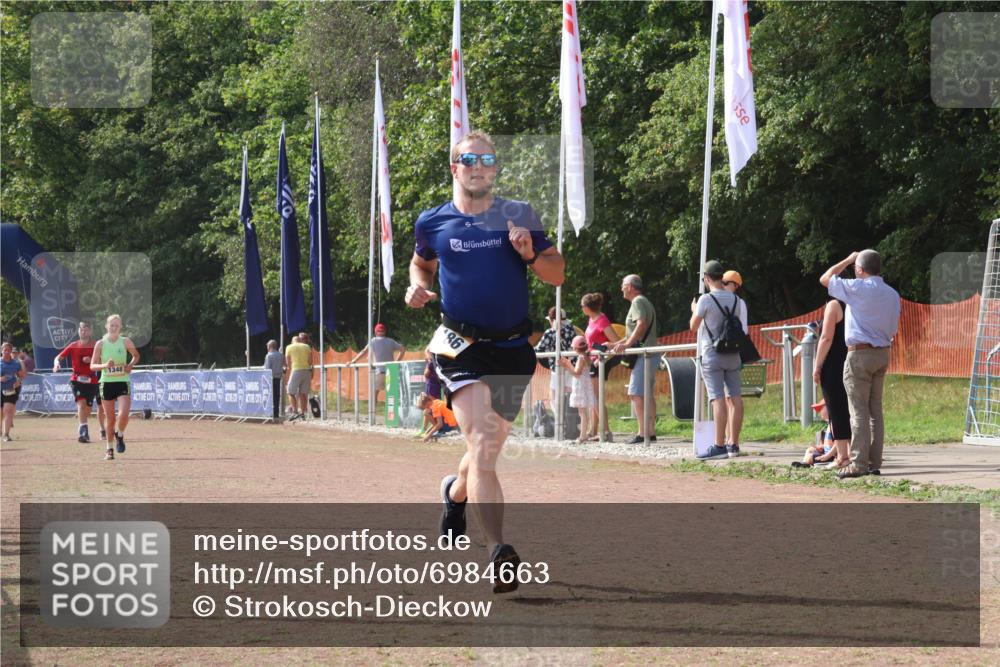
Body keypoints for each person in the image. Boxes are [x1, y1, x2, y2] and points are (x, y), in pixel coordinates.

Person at [406, 130, 564, 593]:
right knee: (479, 443)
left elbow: (557, 272)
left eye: (487, 159)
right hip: (461, 346)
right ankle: (499, 550)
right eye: (469, 159)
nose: (478, 166)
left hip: (514, 350)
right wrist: (416, 285)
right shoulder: (433, 222)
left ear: (494, 169)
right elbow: (422, 264)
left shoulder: (518, 215)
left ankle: (453, 495)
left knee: (485, 452)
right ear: (455, 168)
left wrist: (531, 254)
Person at [820, 249, 900, 479]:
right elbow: (893, 327)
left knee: (858, 411)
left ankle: (858, 463)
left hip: (859, 355)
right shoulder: (892, 294)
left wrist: (846, 258)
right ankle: (875, 461)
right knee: (876, 411)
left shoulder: (857, 287)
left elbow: (825, 279)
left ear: (859, 269)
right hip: (882, 353)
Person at [690, 260, 748, 460]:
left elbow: (693, 326)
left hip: (712, 354)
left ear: (706, 278)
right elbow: (743, 328)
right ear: (721, 277)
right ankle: (734, 444)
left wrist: (693, 309)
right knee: (736, 397)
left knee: (717, 399)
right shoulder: (737, 301)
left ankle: (719, 445)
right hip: (733, 354)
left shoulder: (705, 300)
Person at [611, 274, 658, 445]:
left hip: (643, 355)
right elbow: (635, 333)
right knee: (647, 394)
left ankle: (642, 433)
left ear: (630, 286)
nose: (621, 288)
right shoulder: (643, 301)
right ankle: (650, 432)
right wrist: (616, 344)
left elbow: (641, 324)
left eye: (623, 285)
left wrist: (628, 344)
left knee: (635, 393)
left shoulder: (637, 302)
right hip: (649, 353)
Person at [90, 314, 140, 461]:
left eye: (116, 326)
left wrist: (130, 365)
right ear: (106, 326)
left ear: (120, 328)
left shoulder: (125, 341)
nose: (114, 328)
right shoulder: (100, 343)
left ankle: (120, 433)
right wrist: (105, 365)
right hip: (106, 383)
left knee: (124, 414)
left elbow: (136, 356)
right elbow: (92, 365)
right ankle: (109, 448)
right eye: (111, 325)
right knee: (110, 419)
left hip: (122, 381)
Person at [812, 298, 852, 469]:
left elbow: (826, 338)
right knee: (852, 410)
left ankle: (842, 456)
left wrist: (817, 365)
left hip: (834, 363)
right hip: (851, 359)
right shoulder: (855, 302)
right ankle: (851, 453)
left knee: (836, 410)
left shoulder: (834, 305)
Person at [54, 320, 107, 442]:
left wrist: (93, 360)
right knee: (81, 404)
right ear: (78, 331)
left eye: (86, 329)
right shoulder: (73, 345)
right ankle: (84, 432)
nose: (83, 331)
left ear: (90, 331)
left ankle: (82, 425)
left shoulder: (96, 345)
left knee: (87, 410)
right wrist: (56, 364)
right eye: (81, 329)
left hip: (92, 381)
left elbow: (104, 362)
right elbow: (58, 357)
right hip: (76, 380)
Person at [581, 292, 621, 441]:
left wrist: (603, 359)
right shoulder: (592, 320)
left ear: (586, 307)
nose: (581, 309)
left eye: (581, 306)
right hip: (592, 361)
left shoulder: (602, 320)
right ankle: (594, 431)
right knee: (593, 398)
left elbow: (616, 342)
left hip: (600, 362)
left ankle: (606, 432)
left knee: (596, 398)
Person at [720, 270, 749, 448]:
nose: (723, 285)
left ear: (734, 285)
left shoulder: (738, 302)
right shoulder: (739, 302)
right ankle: (729, 438)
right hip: (734, 350)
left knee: (732, 397)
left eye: (726, 283)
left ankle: (732, 440)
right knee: (726, 398)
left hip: (730, 351)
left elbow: (743, 330)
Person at [534, 307, 576, 413]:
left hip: (557, 368)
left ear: (552, 320)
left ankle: (559, 423)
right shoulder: (571, 330)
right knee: (570, 396)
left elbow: (539, 349)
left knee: (554, 397)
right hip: (571, 367)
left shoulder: (550, 332)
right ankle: (571, 422)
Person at [351, 323, 406, 404]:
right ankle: (392, 413)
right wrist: (396, 362)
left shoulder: (373, 341)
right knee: (391, 393)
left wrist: (353, 361)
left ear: (375, 332)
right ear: (385, 331)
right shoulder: (391, 341)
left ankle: (373, 413)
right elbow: (403, 349)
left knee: (374, 392)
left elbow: (364, 352)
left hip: (378, 370)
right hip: (391, 369)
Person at [559, 335, 597, 443]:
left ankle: (583, 435)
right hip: (585, 385)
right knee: (584, 412)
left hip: (580, 386)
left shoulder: (581, 358)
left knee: (582, 412)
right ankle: (584, 433)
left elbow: (576, 373)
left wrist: (567, 365)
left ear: (575, 348)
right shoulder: (587, 356)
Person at [791, 400, 837, 467]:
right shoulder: (829, 424)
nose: (819, 412)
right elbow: (830, 443)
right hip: (827, 452)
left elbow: (838, 444)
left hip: (832, 456)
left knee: (810, 457)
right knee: (810, 450)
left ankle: (807, 463)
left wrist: (827, 455)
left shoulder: (834, 425)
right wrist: (821, 447)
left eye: (821, 409)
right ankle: (805, 463)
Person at [1, 342, 25, 442]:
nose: (6, 352)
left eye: (8, 350)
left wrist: (19, 382)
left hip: (11, 390)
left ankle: (6, 434)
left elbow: (21, 375)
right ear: (1, 351)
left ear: (11, 351)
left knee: (8, 411)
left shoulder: (15, 364)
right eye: (4, 350)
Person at [285, 333, 312, 421]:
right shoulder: (306, 347)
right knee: (303, 393)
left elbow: (288, 363)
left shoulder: (289, 347)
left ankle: (295, 412)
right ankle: (303, 413)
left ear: (293, 341)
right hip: (307, 371)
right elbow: (310, 361)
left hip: (296, 370)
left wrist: (289, 370)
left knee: (290, 392)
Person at [263, 339, 285, 422]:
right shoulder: (281, 355)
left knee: (270, 395)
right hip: (278, 377)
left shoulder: (269, 355)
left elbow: (267, 367)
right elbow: (283, 365)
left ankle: (270, 412)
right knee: (277, 395)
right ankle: (276, 413)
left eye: (267, 346)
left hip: (270, 378)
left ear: (270, 347)